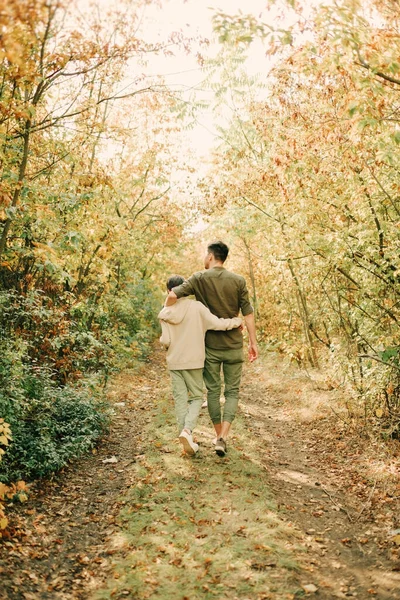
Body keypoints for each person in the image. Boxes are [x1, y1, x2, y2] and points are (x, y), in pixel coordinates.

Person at [166, 241, 258, 457]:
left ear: (209, 257)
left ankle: (217, 436)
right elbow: (248, 314)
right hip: (234, 345)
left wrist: (168, 317)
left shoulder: (199, 278)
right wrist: (253, 342)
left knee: (214, 392)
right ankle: (223, 437)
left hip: (210, 348)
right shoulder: (238, 281)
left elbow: (173, 296)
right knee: (233, 392)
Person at [158, 275, 242, 456]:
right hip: (195, 361)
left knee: (180, 399)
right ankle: (187, 431)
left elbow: (165, 340)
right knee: (196, 397)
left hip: (174, 361)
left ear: (168, 291)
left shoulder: (165, 312)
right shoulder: (197, 308)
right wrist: (236, 321)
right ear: (185, 290)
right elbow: (218, 324)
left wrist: (165, 345)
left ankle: (185, 439)